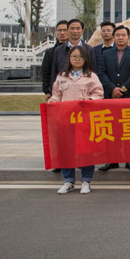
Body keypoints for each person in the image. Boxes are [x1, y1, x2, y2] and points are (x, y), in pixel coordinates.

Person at [50, 45, 104, 194]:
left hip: (84, 120)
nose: (77, 59)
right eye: (74, 56)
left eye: (80, 57)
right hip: (65, 120)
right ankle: (68, 181)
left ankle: (86, 181)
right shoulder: (62, 76)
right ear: (69, 58)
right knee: (66, 151)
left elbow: (99, 94)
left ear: (85, 59)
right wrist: (52, 102)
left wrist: (89, 100)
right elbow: (56, 94)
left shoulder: (91, 76)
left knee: (86, 151)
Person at [97, 25, 130, 171]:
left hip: (129, 96)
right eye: (118, 35)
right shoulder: (106, 54)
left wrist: (123, 89)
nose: (121, 38)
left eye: (123, 35)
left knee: (129, 130)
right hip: (111, 97)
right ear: (113, 37)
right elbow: (101, 73)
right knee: (112, 130)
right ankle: (112, 160)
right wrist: (112, 89)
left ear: (128, 37)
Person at [50, 19, 97, 90]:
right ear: (67, 30)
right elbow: (54, 72)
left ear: (82, 30)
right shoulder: (58, 50)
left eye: (78, 28)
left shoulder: (89, 50)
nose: (75, 31)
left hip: (84, 90)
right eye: (72, 28)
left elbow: (93, 71)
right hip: (64, 89)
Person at [42, 20, 68, 102]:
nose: (62, 33)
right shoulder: (50, 52)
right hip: (55, 90)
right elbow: (46, 72)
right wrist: (46, 91)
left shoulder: (75, 51)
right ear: (56, 32)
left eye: (65, 30)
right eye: (59, 30)